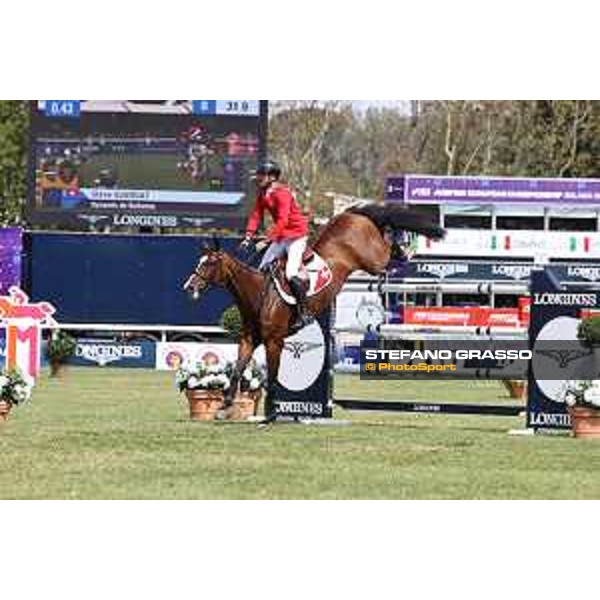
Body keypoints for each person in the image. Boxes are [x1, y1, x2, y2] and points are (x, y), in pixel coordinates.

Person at [241, 160, 314, 331]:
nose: (258, 178)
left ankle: (304, 313)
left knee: (290, 273)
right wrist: (248, 235)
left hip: (296, 235)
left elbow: (283, 220)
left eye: (261, 175)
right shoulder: (263, 193)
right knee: (261, 269)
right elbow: (256, 215)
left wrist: (267, 240)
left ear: (272, 177)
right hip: (282, 236)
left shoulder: (282, 193)